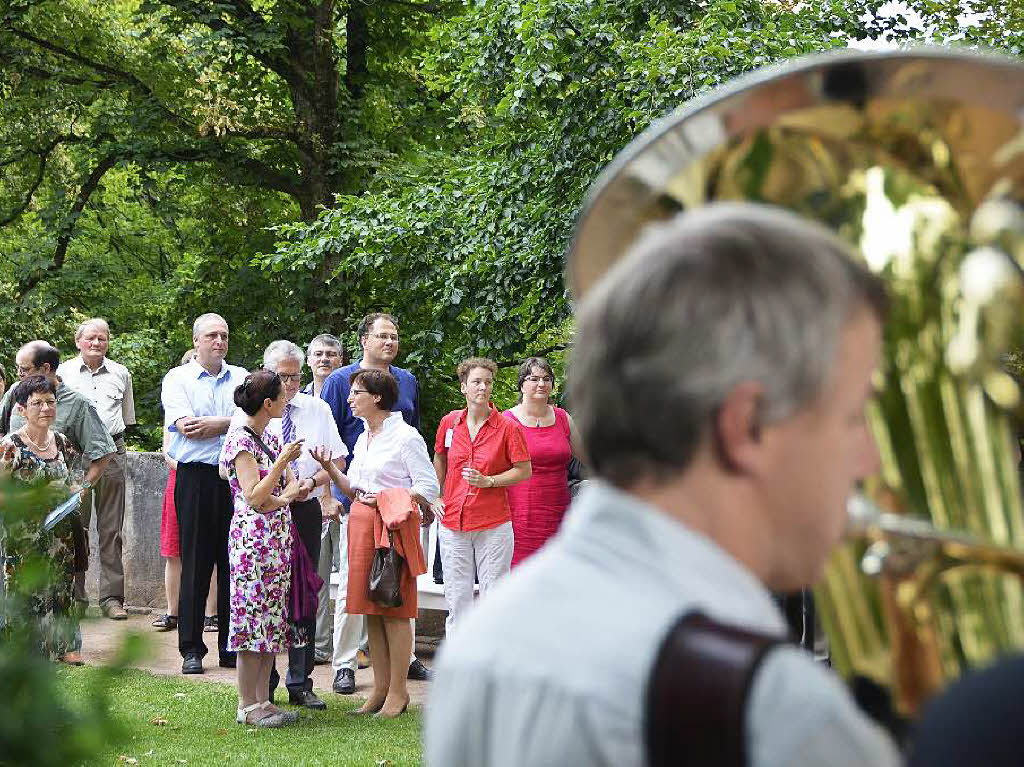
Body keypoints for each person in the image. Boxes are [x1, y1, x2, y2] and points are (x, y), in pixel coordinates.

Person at [424, 204, 900, 766]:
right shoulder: (782, 710)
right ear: (745, 426)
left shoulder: (482, 646)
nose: (868, 458)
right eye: (849, 418)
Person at [313, 368, 440, 718]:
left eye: (357, 393)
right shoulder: (364, 437)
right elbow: (355, 487)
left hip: (392, 526)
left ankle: (399, 692)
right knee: (370, 606)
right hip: (362, 524)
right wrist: (329, 468)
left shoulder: (406, 437)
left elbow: (428, 487)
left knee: (394, 609)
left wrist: (383, 496)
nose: (350, 398)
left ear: (377, 398)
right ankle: (380, 691)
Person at [259, 340, 348, 710]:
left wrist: (311, 483)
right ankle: (266, 681)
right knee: (269, 593)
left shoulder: (317, 408)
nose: (290, 384)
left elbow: (338, 460)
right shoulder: (252, 412)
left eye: (295, 376)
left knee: (305, 592)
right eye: (282, 377)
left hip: (305, 509)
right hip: (265, 513)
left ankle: (301, 680)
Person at [161, 313, 247, 675]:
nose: (219, 341)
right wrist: (229, 422)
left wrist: (218, 423)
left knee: (233, 563)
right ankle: (191, 649)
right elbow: (186, 427)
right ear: (196, 341)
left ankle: (230, 646)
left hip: (237, 478)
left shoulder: (242, 377)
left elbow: (254, 419)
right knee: (195, 561)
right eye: (212, 335)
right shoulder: (177, 379)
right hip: (195, 477)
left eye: (224, 335)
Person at [219, 369, 304, 728]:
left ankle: (264, 701)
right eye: (282, 396)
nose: (287, 401)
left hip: (275, 539)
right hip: (253, 542)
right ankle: (246, 705)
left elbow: (286, 489)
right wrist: (283, 467)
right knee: (251, 622)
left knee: (270, 620)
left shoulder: (265, 435)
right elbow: (254, 496)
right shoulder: (241, 441)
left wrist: (284, 493)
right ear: (267, 403)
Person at [433, 357, 531, 634]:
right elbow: (440, 457)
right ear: (464, 387)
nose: (483, 387)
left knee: (494, 597)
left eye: (488, 382)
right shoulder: (450, 422)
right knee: (457, 598)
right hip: (454, 521)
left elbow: (523, 470)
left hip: (493, 523)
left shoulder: (508, 427)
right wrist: (437, 496)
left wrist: (490, 481)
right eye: (476, 382)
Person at [0, 376, 89, 664]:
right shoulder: (9, 445)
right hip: (22, 536)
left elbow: (77, 477)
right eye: (36, 403)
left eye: (50, 402)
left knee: (62, 588)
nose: (45, 409)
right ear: (21, 409)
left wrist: (76, 492)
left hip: (60, 534)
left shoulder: (61, 441)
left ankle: (63, 648)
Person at [56, 318, 136, 620]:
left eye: (102, 338)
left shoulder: (121, 373)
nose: (96, 343)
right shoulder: (63, 372)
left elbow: (126, 419)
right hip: (75, 454)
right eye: (90, 338)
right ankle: (75, 597)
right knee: (75, 526)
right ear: (78, 341)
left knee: (111, 529)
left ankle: (112, 598)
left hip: (113, 452)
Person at [153, 350, 219, 632]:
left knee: (214, 550)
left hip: (217, 476)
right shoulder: (176, 393)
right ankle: (174, 611)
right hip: (183, 478)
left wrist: (213, 426)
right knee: (176, 549)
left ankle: (212, 613)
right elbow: (175, 443)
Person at [502, 357, 577, 566]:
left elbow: (590, 458)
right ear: (522, 384)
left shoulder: (563, 418)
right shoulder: (506, 420)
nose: (541, 384)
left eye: (546, 379)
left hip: (559, 511)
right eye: (533, 378)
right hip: (520, 513)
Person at [302, 333, 345, 665]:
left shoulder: (349, 395)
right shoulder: (297, 400)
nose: (324, 359)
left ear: (340, 360)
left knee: (348, 577)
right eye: (318, 354)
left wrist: (330, 494)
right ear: (308, 360)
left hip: (343, 496)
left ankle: (351, 646)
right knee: (313, 575)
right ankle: (317, 645)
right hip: (306, 498)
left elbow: (335, 454)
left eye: (331, 354)